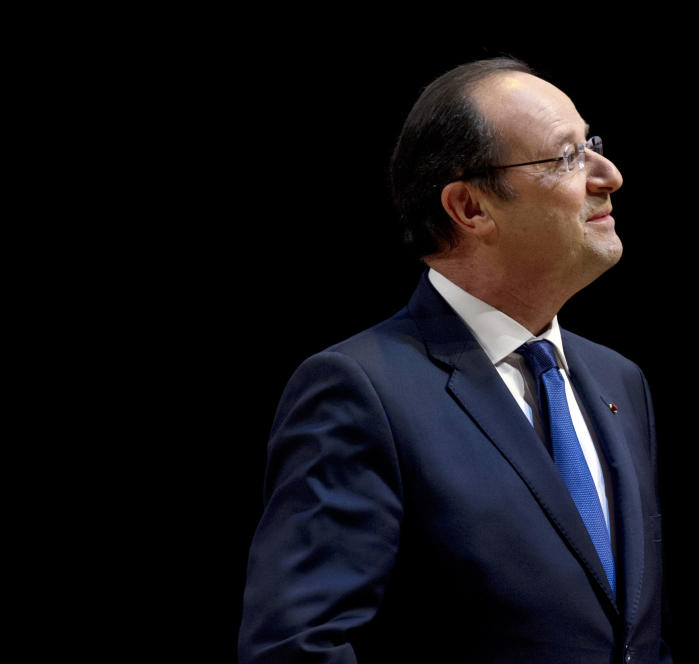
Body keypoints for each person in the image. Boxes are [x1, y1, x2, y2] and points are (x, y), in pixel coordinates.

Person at [238, 57, 672, 663]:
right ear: (470, 208)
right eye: (566, 156)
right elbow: (297, 648)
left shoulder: (619, 381)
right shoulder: (362, 391)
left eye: (591, 144)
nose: (610, 175)